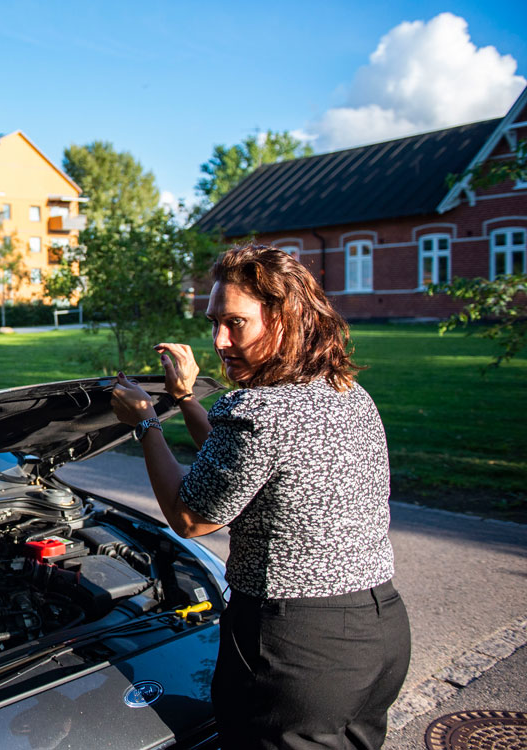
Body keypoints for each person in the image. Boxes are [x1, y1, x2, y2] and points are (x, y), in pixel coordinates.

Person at [111, 243, 410, 749]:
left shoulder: (260, 409)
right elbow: (242, 469)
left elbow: (190, 516)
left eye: (235, 323)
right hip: (378, 631)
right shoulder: (344, 389)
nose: (219, 340)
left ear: (287, 319)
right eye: (212, 322)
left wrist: (145, 424)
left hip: (297, 649)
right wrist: (184, 400)